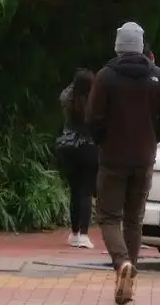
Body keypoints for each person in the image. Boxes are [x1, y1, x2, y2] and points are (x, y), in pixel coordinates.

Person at [86, 21, 160, 305]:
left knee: (109, 216)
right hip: (144, 158)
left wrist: (103, 140)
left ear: (117, 46)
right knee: (134, 219)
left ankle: (122, 263)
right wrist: (151, 138)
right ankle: (129, 280)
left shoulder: (106, 77)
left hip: (113, 158)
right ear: (141, 46)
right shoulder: (159, 77)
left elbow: (93, 119)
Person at [54, 68, 98, 248]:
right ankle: (85, 234)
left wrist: (75, 83)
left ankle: (74, 233)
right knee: (86, 191)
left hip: (69, 147)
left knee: (74, 191)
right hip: (89, 148)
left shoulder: (68, 101)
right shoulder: (94, 103)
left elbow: (64, 93)